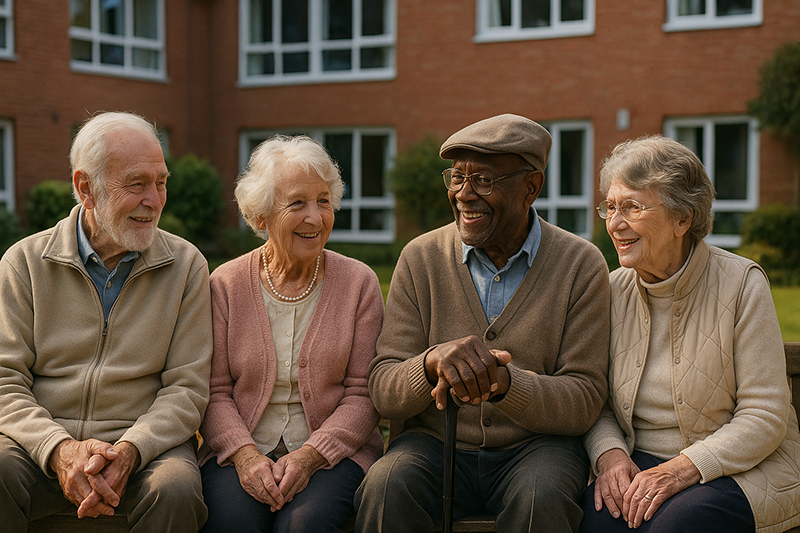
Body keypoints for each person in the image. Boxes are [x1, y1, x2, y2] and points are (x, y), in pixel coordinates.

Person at [354, 113, 611, 533]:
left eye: (484, 181)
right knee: (386, 486)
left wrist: (505, 384)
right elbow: (384, 389)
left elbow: (584, 399)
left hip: (536, 449)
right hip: (432, 444)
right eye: (456, 178)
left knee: (540, 500)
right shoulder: (421, 259)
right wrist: (431, 363)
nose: (464, 195)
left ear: (531, 187)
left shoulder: (581, 265)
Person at [0, 111, 212, 532]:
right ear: (86, 188)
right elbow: (4, 380)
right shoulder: (23, 263)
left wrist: (132, 449)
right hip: (39, 447)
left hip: (144, 452)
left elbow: (187, 388)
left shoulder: (186, 266)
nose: (154, 200)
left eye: (161, 182)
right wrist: (59, 450)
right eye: (137, 184)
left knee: (177, 488)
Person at [580, 135, 800, 532]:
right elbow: (595, 400)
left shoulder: (742, 284)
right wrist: (609, 456)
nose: (614, 223)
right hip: (638, 459)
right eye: (610, 207)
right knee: (599, 521)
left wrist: (682, 470)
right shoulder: (610, 291)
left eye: (632, 206)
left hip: (737, 466)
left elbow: (765, 414)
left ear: (683, 219)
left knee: (678, 525)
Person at [197, 134, 384, 533]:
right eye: (297, 203)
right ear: (261, 216)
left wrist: (309, 456)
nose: (315, 217)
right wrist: (246, 457)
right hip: (240, 451)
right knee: (233, 523)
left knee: (304, 526)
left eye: (323, 201)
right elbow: (213, 391)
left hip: (334, 453)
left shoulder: (359, 284)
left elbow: (363, 392)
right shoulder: (225, 285)